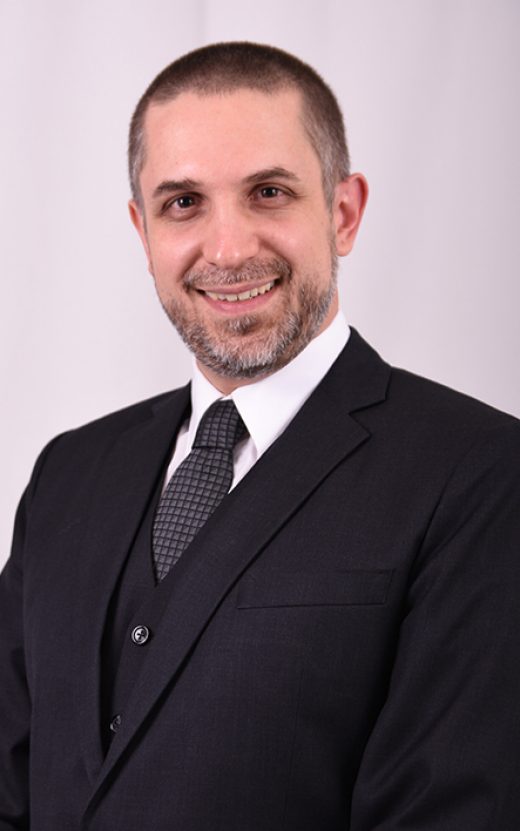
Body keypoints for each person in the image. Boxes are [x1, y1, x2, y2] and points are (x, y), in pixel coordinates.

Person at [1, 41, 519, 831]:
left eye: (269, 193)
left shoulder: (480, 473)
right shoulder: (69, 472)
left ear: (343, 213)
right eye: (183, 203)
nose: (230, 249)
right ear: (143, 231)